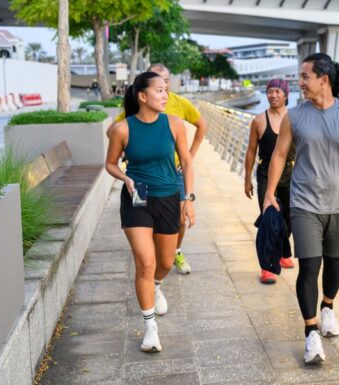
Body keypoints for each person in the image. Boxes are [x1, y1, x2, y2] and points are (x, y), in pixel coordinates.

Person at [262, 53, 339, 364]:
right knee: (309, 266)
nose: (300, 82)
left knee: (334, 261)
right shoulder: (294, 116)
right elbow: (280, 156)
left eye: (305, 76)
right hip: (304, 203)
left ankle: (328, 308)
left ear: (324, 79)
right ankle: (311, 334)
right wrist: (270, 193)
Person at [105, 71, 196, 353]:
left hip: (169, 195)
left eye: (166, 90)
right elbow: (110, 164)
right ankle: (150, 328)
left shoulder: (174, 124)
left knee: (165, 262)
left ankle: (156, 286)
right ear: (142, 96)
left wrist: (188, 198)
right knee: (145, 262)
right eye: (159, 90)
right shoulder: (123, 129)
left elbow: (188, 163)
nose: (165, 95)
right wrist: (126, 178)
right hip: (138, 194)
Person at [116, 64, 208, 275]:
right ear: (144, 92)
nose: (164, 88)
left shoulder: (178, 104)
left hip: (172, 173)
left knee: (177, 220)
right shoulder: (134, 113)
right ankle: (148, 261)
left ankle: (174, 250)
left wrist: (191, 155)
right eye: (158, 84)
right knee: (142, 227)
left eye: (166, 82)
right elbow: (116, 131)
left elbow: (202, 124)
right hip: (140, 180)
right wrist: (126, 150)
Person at [244, 79, 295, 284]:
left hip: (291, 173)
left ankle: (284, 253)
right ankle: (267, 267)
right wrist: (247, 179)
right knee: (269, 217)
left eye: (277, 91)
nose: (273, 95)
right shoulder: (259, 121)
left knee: (290, 218)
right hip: (266, 173)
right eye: (269, 92)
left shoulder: (294, 118)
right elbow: (251, 151)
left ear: (285, 95)